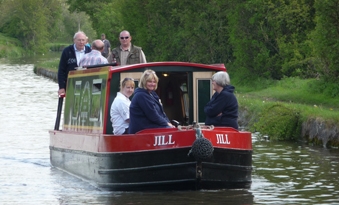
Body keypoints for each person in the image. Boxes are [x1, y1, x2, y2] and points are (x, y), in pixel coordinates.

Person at [129, 69, 175, 134]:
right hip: (141, 130)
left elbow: (161, 112)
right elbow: (153, 115)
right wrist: (166, 124)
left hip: (149, 127)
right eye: (150, 82)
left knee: (172, 128)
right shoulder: (141, 95)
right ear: (144, 82)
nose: (152, 84)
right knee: (169, 130)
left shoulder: (152, 94)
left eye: (154, 82)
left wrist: (168, 122)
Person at [57, 31, 92, 96]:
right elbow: (61, 70)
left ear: (86, 41)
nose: (81, 42)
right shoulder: (67, 51)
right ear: (74, 40)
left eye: (83, 40)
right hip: (70, 84)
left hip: (86, 84)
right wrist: (61, 87)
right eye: (79, 40)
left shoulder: (89, 51)